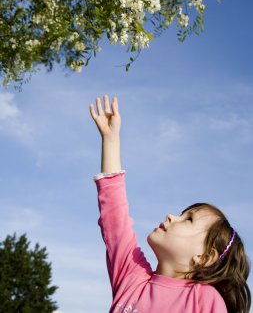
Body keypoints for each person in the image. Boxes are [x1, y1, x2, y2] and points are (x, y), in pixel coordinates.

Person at [89, 94, 251, 313]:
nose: (171, 216)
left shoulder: (204, 299)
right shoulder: (131, 277)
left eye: (189, 219)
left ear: (203, 257)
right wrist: (111, 140)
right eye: (183, 214)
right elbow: (114, 221)